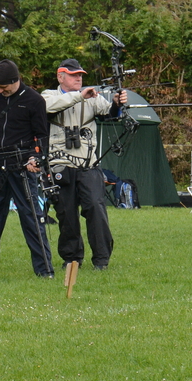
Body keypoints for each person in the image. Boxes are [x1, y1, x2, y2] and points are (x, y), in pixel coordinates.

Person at [41, 59, 126, 272]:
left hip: (89, 165)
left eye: (80, 75)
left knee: (96, 208)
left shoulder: (92, 97)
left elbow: (110, 113)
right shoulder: (48, 95)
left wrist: (117, 103)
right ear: (60, 77)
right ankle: (72, 259)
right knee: (66, 214)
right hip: (60, 166)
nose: (78, 78)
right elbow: (48, 107)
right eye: (73, 75)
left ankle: (102, 260)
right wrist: (80, 96)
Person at [0, 60, 54, 277]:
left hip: (22, 166)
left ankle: (45, 270)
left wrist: (36, 158)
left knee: (31, 218)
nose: (0, 91)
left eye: (3, 87)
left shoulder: (35, 100)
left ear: (15, 80)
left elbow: (42, 135)